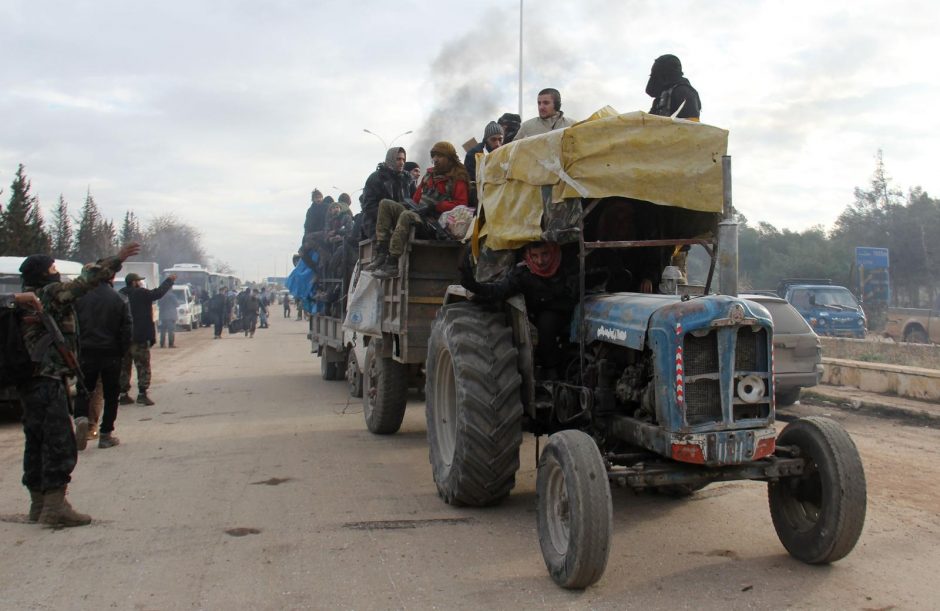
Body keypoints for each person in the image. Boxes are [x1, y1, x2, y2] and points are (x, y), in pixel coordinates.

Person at [17, 243, 140, 527]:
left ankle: (38, 504)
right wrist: (116, 260)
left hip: (29, 383)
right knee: (59, 442)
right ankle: (55, 507)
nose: (56, 273)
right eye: (52, 269)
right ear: (43, 274)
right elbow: (87, 281)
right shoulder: (48, 295)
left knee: (35, 442)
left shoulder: (26, 300)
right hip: (48, 381)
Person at [460, 242, 576, 377]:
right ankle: (551, 371)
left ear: (554, 251)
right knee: (547, 323)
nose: (540, 261)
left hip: (572, 313)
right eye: (535, 256)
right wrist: (473, 286)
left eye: (545, 254)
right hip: (541, 319)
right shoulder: (522, 274)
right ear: (528, 255)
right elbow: (498, 290)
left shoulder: (569, 267)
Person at [369, 141, 470, 279]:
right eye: (434, 156)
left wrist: (435, 206)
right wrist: (408, 204)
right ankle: (381, 252)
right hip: (419, 213)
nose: (435, 159)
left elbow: (461, 205)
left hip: (435, 223)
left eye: (439, 156)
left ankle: (392, 263)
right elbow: (416, 199)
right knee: (386, 204)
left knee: (406, 215)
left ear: (449, 157)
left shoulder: (458, 178)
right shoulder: (428, 175)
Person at [73, 268, 132, 450]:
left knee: (84, 390)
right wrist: (122, 352)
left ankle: (82, 419)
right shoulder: (119, 299)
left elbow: (73, 326)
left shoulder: (79, 299)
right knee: (111, 395)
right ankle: (105, 434)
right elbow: (127, 328)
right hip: (111, 354)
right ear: (112, 278)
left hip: (86, 352)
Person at [118, 272, 175, 406]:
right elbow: (158, 293)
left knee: (124, 367)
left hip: (124, 338)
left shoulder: (119, 294)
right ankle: (142, 394)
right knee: (143, 365)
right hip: (139, 336)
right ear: (134, 282)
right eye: (139, 281)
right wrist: (169, 281)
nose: (141, 283)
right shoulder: (140, 293)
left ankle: (123, 394)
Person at [360, 147, 410, 239]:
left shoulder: (407, 179)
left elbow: (413, 201)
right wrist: (389, 216)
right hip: (376, 222)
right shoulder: (375, 178)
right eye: (398, 159)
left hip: (401, 221)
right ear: (390, 159)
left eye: (403, 159)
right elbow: (368, 206)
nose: (402, 162)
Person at [646, 54, 701, 121]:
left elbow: (692, 126)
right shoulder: (661, 98)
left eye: (656, 75)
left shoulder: (684, 91)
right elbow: (648, 123)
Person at [464, 121, 504, 208]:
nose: (497, 144)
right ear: (486, 140)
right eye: (493, 139)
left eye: (500, 139)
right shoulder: (473, 155)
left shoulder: (505, 152)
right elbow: (471, 183)